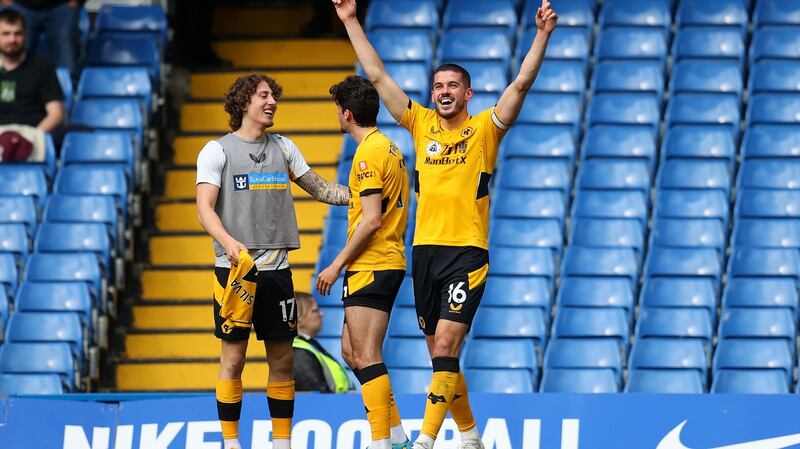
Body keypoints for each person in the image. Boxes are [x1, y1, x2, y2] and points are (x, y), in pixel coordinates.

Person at [332, 1, 558, 448]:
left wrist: (542, 35)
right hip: (425, 254)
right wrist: (351, 21)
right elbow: (377, 77)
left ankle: (426, 440)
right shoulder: (419, 125)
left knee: (446, 348)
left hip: (466, 252)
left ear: (468, 94)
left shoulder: (485, 130)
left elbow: (522, 82)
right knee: (440, 355)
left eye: (453, 85)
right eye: (438, 86)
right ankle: (470, 436)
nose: (444, 91)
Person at [195, 73, 350, 449]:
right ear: (244, 101)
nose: (272, 102)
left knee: (282, 361)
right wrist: (229, 242)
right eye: (264, 95)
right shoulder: (216, 151)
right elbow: (204, 208)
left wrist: (368, 191)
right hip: (236, 274)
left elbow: (322, 189)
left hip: (278, 273)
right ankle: (231, 443)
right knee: (233, 361)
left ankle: (282, 443)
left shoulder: (284, 147)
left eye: (274, 96)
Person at [316, 75, 412, 449]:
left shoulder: (368, 154)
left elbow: (372, 218)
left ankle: (381, 441)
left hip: (373, 261)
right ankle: (398, 434)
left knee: (367, 355)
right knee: (350, 352)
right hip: (382, 261)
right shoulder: (388, 147)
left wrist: (335, 263)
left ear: (347, 114)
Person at [0, 8, 63, 133]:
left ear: (25, 35)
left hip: (32, 134)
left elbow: (56, 114)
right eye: (6, 34)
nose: (12, 40)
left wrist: (33, 136)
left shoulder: (43, 65)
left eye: (17, 33)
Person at [1, 0, 81, 76]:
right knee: (13, 49)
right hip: (20, 4)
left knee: (66, 55)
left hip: (62, 5)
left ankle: (68, 89)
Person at [292, 292, 351, 393]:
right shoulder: (299, 352)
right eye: (315, 311)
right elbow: (315, 395)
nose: (321, 314)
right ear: (299, 317)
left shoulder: (309, 346)